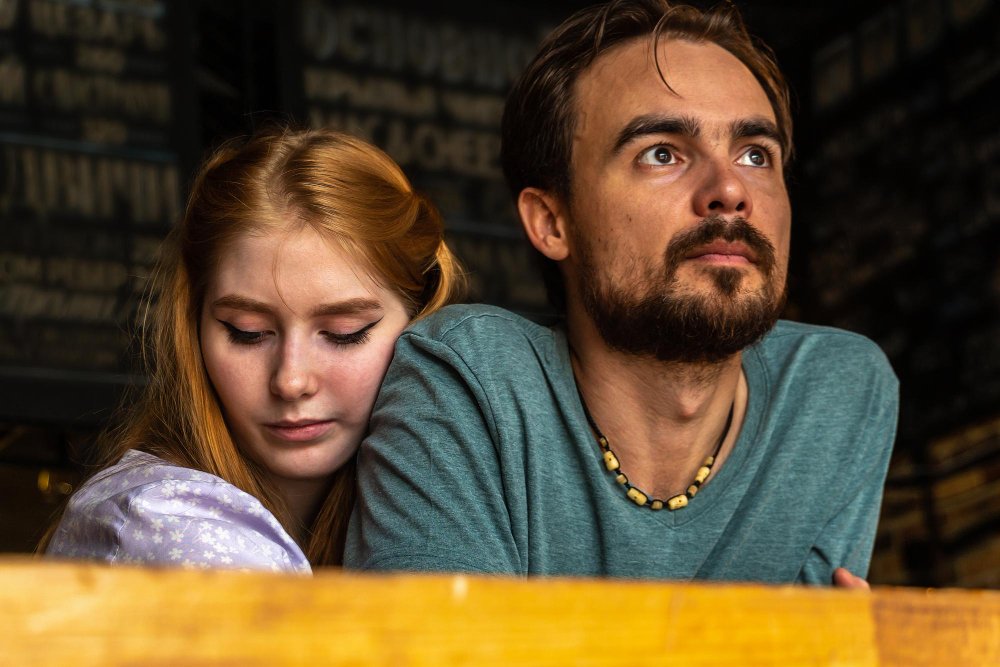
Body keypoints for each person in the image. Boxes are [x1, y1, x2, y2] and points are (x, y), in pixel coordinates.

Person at [345, 0, 897, 587]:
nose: (731, 189)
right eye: (662, 153)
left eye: (755, 155)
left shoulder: (837, 393)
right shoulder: (468, 380)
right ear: (552, 222)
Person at [41, 127, 463, 572]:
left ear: (419, 321)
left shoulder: (405, 514)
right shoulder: (165, 524)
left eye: (344, 333)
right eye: (248, 332)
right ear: (193, 325)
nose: (291, 380)